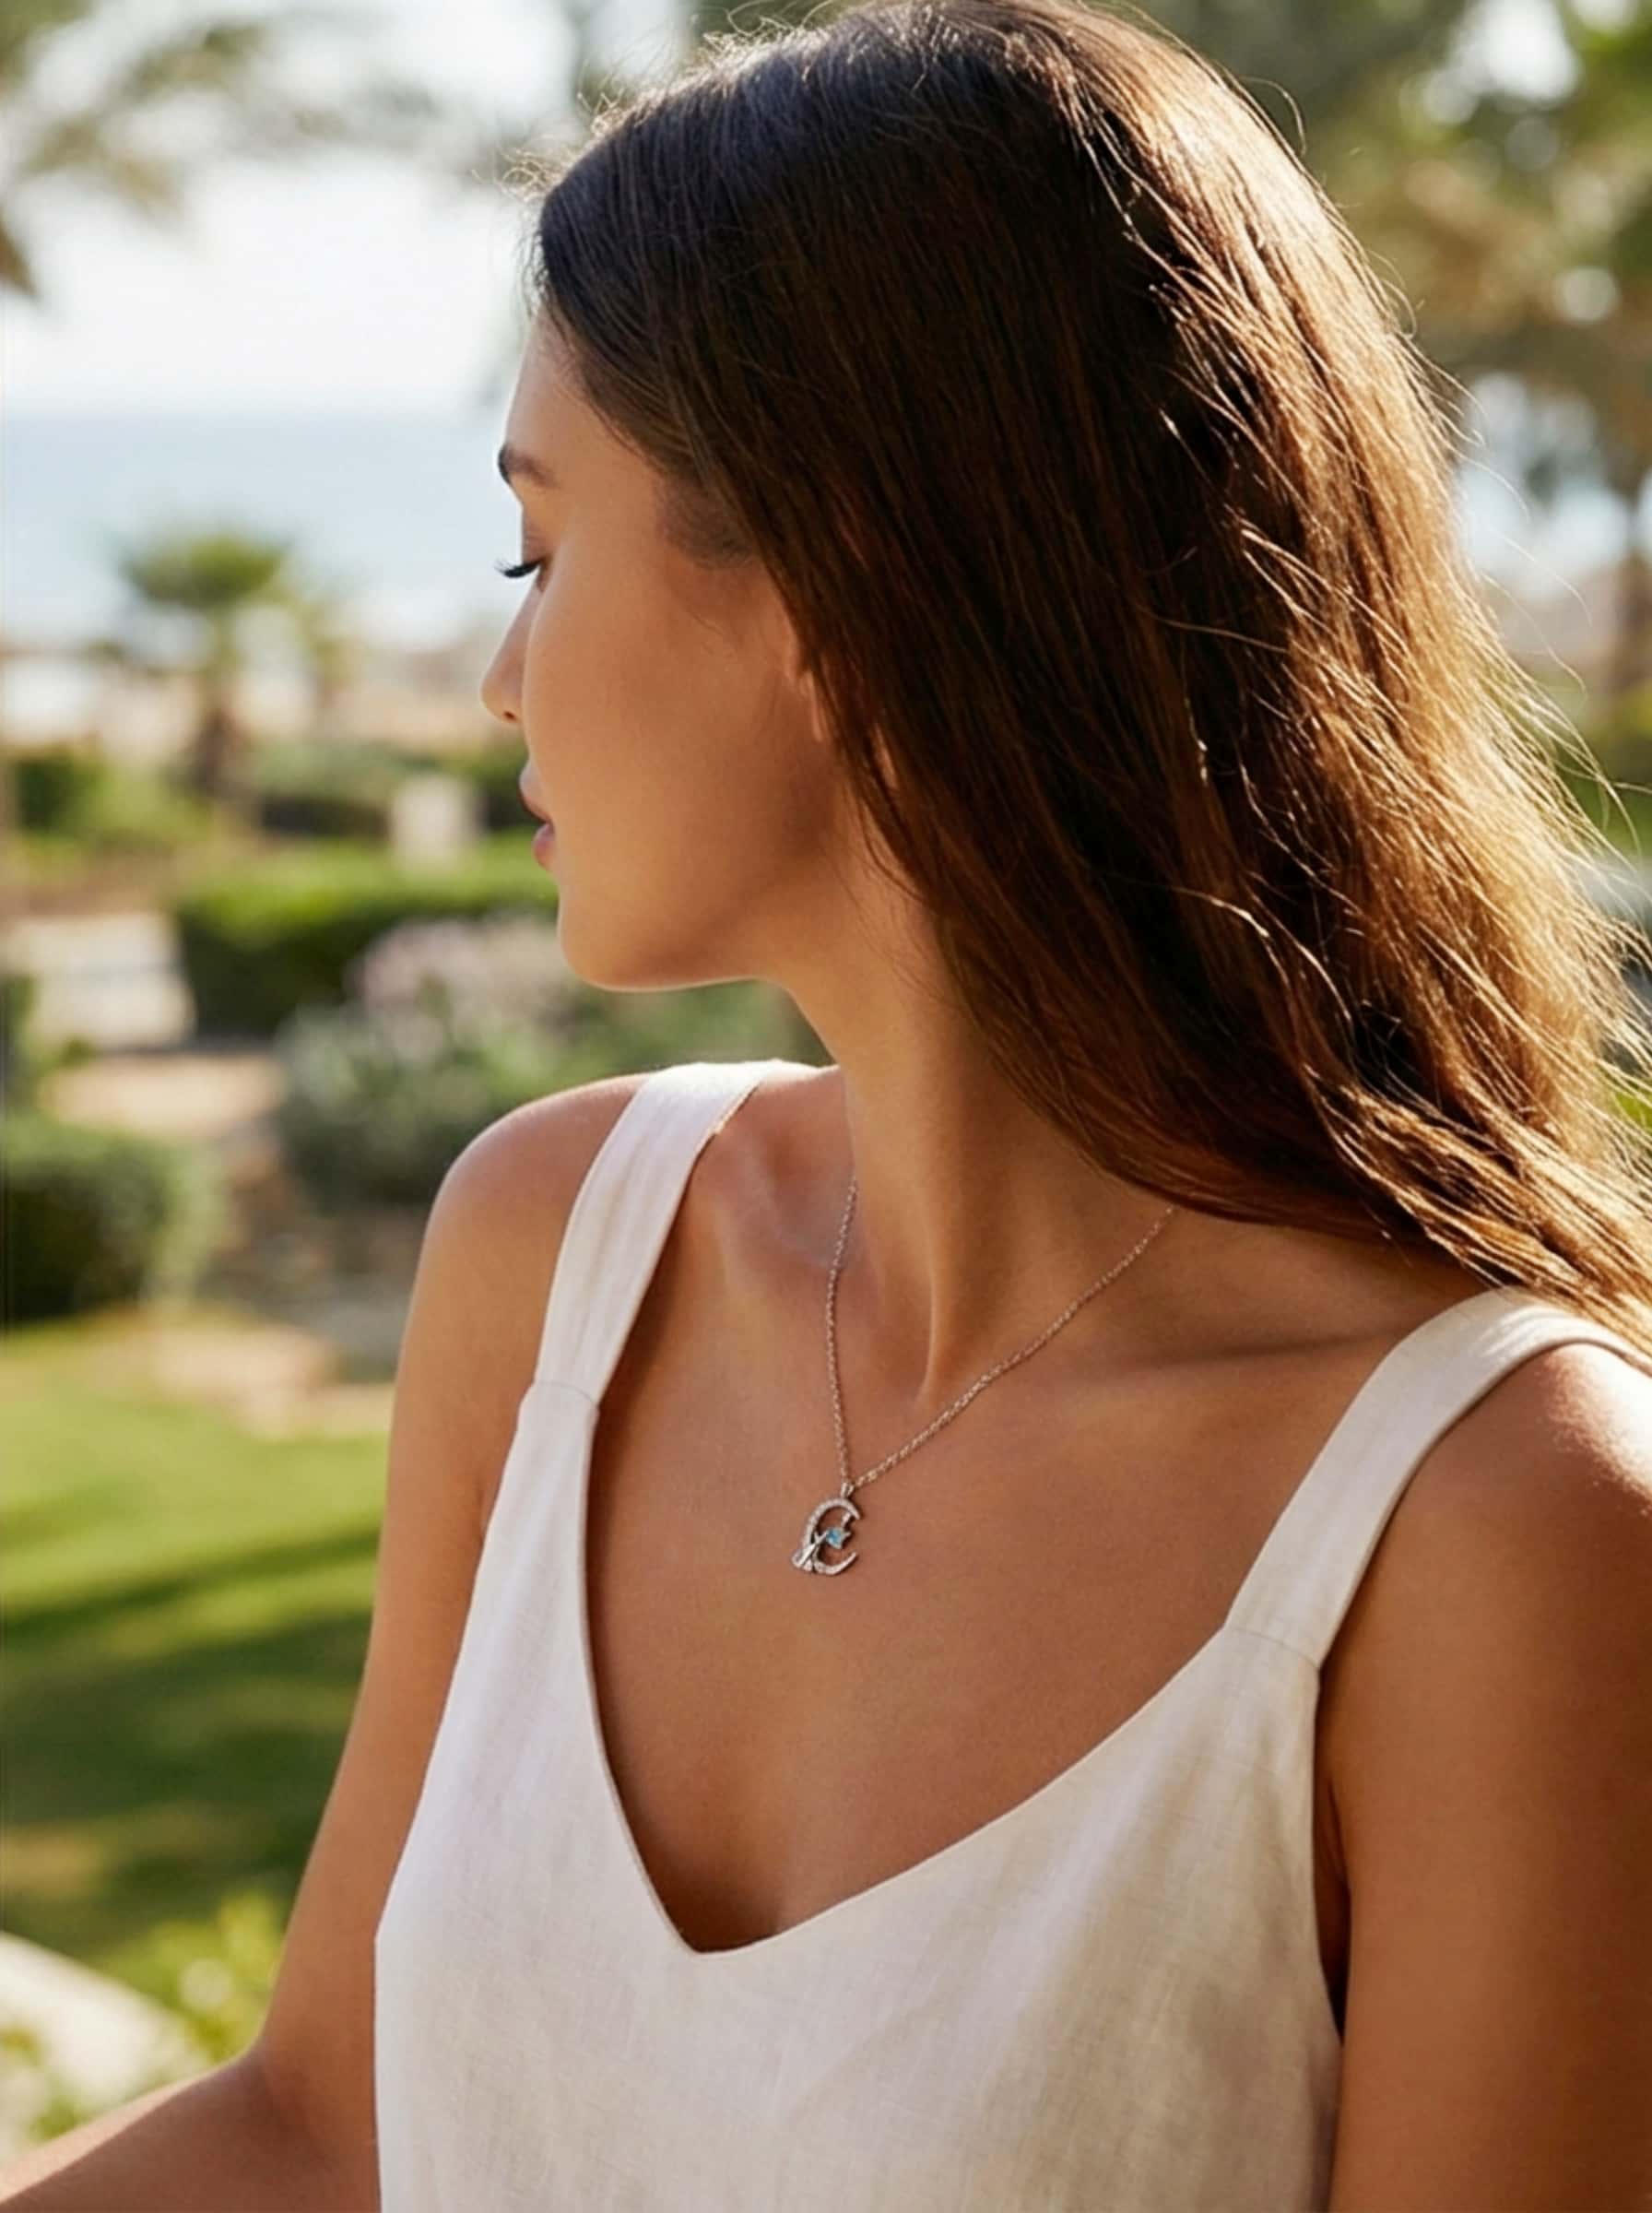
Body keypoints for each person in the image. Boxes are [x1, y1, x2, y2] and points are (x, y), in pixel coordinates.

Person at [8, 0, 1652, 2205]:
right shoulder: (561, 1253)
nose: (497, 670)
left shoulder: (1495, 1526)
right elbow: (322, 2126)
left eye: (533, 543)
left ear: (837, 585)